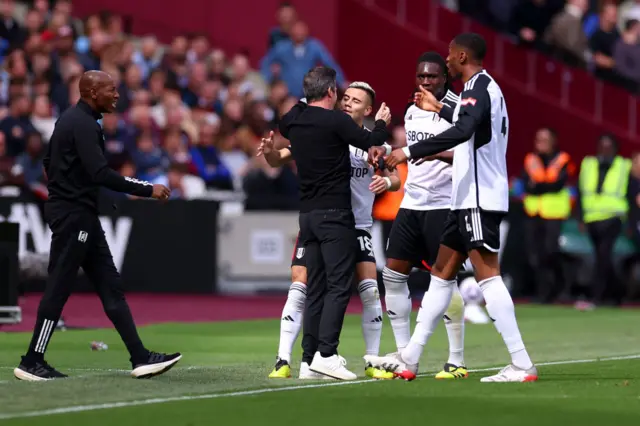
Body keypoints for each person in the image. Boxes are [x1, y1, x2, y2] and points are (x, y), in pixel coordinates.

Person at [367, 33, 538, 383]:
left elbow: (464, 129)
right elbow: (468, 119)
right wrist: (441, 107)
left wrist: (409, 152)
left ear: (461, 55)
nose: (446, 60)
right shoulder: (484, 88)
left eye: (449, 55)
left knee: (488, 278)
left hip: (478, 197)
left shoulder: (477, 85)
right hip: (464, 201)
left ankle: (521, 363)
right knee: (441, 276)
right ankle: (410, 358)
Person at [14, 71, 182, 382]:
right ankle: (32, 360)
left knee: (110, 287)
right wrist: (147, 188)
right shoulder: (82, 124)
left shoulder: (73, 121)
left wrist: (68, 189)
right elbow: (100, 173)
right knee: (59, 286)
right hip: (74, 216)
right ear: (92, 92)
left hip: (80, 215)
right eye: (111, 90)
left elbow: (50, 164)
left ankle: (140, 357)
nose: (117, 95)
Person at [260, 82, 400, 380]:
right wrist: (271, 153)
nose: (348, 103)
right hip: (326, 218)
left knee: (369, 289)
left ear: (368, 109)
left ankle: (371, 359)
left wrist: (386, 183)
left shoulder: (369, 143)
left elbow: (396, 176)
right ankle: (284, 358)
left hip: (358, 224)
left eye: (356, 100)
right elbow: (279, 158)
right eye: (346, 98)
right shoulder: (325, 130)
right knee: (302, 283)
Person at [368, 52, 468, 381]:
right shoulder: (411, 111)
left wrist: (425, 151)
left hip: (445, 205)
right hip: (411, 204)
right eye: (421, 76)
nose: (425, 82)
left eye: (433, 77)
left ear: (445, 78)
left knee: (445, 281)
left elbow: (468, 153)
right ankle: (403, 353)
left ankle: (456, 359)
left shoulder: (455, 109)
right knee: (393, 276)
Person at [577, 134, 631, 307]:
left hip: (613, 218)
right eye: (602, 146)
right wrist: (580, 218)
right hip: (592, 218)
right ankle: (618, 293)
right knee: (602, 258)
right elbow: (580, 192)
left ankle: (597, 296)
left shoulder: (624, 166)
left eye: (609, 147)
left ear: (615, 149)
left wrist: (630, 221)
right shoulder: (588, 164)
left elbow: (630, 194)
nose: (605, 150)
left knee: (603, 255)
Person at [522, 128, 574, 303]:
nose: (540, 143)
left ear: (553, 141)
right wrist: (544, 184)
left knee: (551, 252)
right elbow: (527, 186)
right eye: (538, 139)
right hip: (533, 213)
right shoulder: (531, 159)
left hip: (554, 213)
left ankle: (560, 287)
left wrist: (538, 184)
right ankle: (543, 293)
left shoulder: (563, 159)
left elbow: (558, 185)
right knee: (535, 254)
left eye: (545, 139)